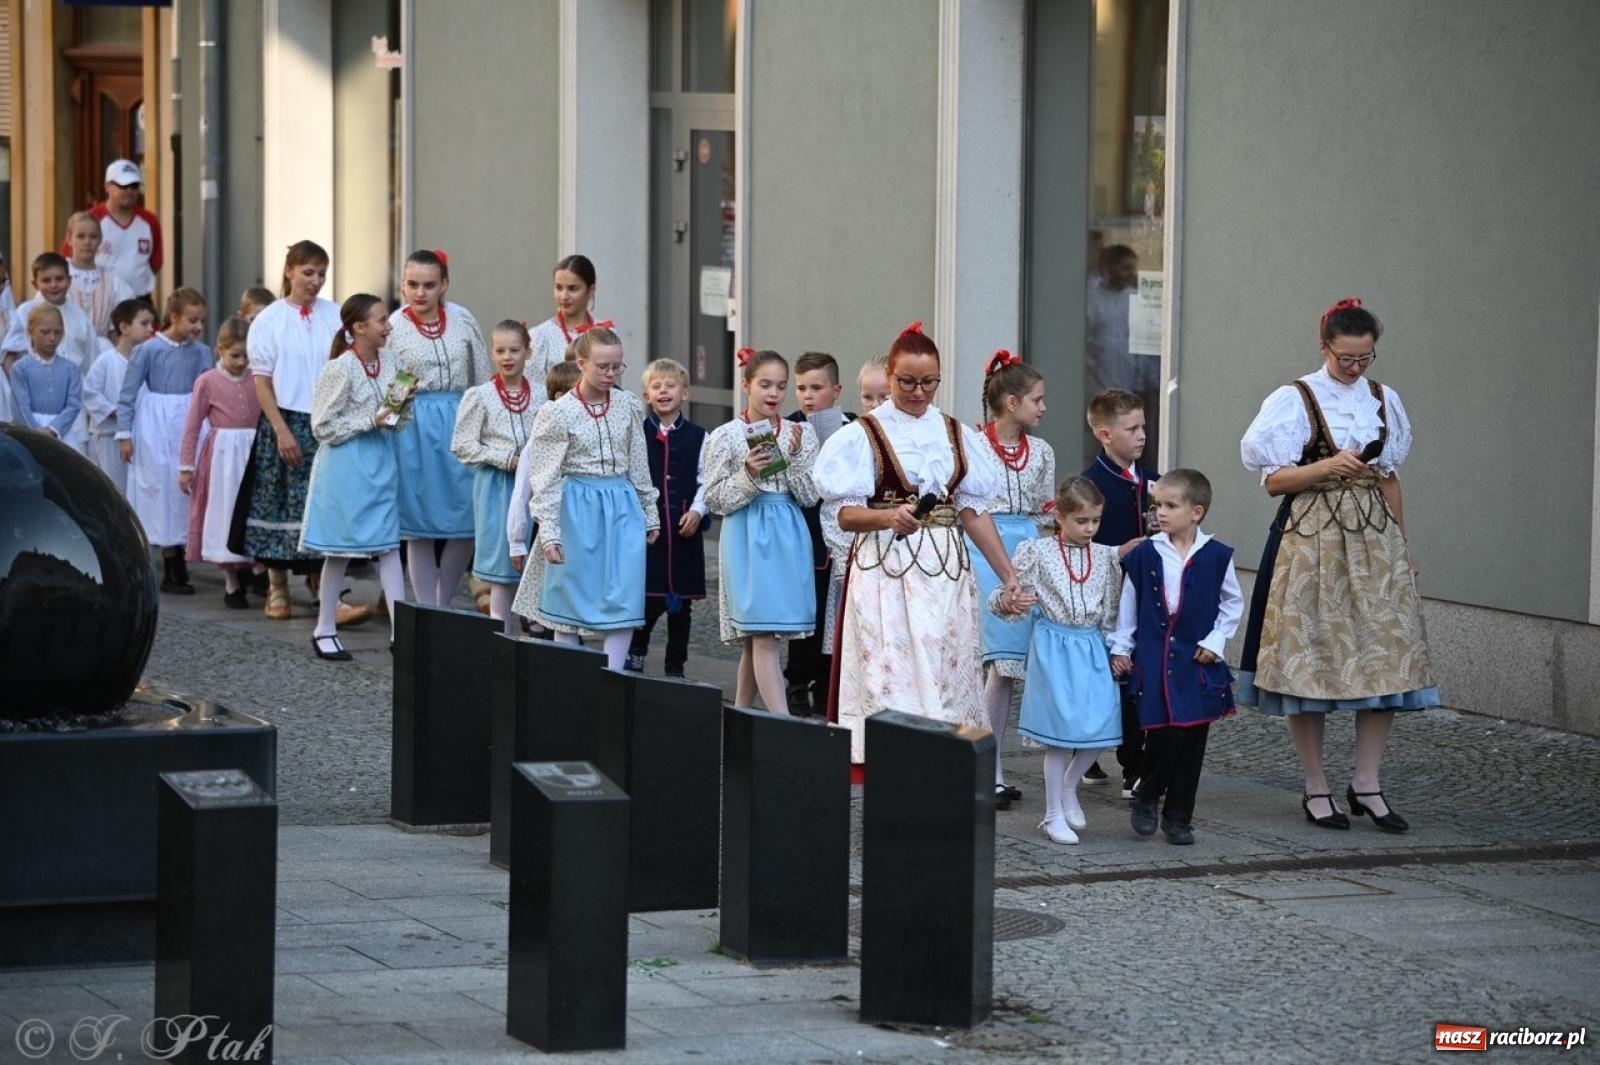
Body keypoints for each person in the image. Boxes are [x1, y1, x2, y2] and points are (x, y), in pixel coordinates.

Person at [1237, 297, 1438, 832]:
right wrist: (1325, 464)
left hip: (1374, 538)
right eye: (1346, 358)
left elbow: (1390, 476)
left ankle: (1367, 783)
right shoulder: (1294, 398)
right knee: (1312, 658)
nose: (1355, 368)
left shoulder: (1383, 399)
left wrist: (1403, 546)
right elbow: (1273, 481)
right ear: (1324, 346)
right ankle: (1316, 786)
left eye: (1364, 358)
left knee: (1385, 653)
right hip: (1311, 538)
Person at [813, 322, 1018, 765]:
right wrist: (888, 516)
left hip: (945, 570)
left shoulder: (956, 434)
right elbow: (845, 515)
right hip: (886, 569)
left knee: (946, 665)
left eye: (929, 382)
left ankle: (945, 764)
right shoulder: (863, 434)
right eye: (907, 381)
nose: (919, 392)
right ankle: (897, 764)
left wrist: (1008, 574)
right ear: (889, 376)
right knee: (895, 670)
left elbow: (973, 512)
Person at [236, 240, 372, 625]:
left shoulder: (335, 316)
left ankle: (327, 594)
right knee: (279, 501)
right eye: (307, 272)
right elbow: (261, 383)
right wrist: (280, 430)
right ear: (290, 271)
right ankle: (277, 587)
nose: (314, 281)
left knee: (323, 505)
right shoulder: (270, 320)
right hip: (286, 418)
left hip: (326, 419)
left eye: (321, 274)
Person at [511, 325, 660, 669]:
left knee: (623, 597)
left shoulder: (628, 406)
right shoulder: (557, 412)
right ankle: (570, 677)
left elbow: (638, 464)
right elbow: (545, 479)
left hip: (622, 506)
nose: (610, 374)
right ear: (581, 363)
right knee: (569, 599)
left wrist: (649, 512)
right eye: (602, 366)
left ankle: (613, 676)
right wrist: (548, 532)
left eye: (617, 367)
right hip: (576, 509)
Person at [1109, 470, 1243, 845]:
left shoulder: (1217, 556)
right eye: (1157, 506)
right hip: (1154, 658)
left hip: (1197, 662)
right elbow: (1129, 602)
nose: (1160, 513)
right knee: (1164, 735)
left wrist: (1216, 641)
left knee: (1192, 739)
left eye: (1170, 506)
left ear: (1196, 512)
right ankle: (1147, 795)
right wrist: (1122, 645)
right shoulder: (1146, 552)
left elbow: (1232, 603)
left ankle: (1180, 815)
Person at [991, 476, 1121, 844]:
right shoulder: (1037, 552)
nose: (1090, 529)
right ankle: (1052, 815)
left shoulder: (1105, 556)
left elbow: (1110, 607)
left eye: (1096, 520)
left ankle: (1069, 787)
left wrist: (1115, 647)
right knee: (1060, 737)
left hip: (1092, 645)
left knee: (1102, 725)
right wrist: (1009, 600)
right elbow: (1007, 596)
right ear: (1060, 518)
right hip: (1054, 647)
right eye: (1082, 521)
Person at [703, 349, 820, 713]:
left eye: (781, 386)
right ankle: (781, 723)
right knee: (762, 634)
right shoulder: (725, 436)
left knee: (760, 639)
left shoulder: (802, 433)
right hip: (746, 535)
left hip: (787, 533)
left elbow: (809, 495)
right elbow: (714, 498)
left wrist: (799, 457)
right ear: (746, 385)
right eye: (765, 384)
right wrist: (749, 475)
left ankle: (738, 716)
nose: (774, 394)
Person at [300, 294, 415, 659]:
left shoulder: (394, 360)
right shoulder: (340, 368)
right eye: (381, 320)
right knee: (340, 548)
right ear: (359, 328)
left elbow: (396, 420)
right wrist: (371, 420)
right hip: (346, 466)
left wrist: (403, 405)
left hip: (380, 462)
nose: (389, 326)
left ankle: (403, 633)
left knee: (388, 546)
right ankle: (324, 628)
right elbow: (321, 426)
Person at [971, 351, 1056, 808]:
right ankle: (989, 768)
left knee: (1008, 669)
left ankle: (991, 764)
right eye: (1037, 399)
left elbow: (1044, 510)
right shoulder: (970, 444)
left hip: (1026, 550)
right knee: (996, 662)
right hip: (981, 548)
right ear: (1010, 401)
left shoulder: (1042, 452)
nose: (1043, 408)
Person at [1083, 388, 1162, 798]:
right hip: (1104, 600)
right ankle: (1105, 755)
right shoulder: (1090, 484)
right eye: (1132, 428)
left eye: (1143, 426)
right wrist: (1116, 553)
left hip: (1147, 597)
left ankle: (1134, 762)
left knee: (1138, 680)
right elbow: (1076, 543)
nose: (1142, 435)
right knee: (1108, 679)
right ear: (1105, 434)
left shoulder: (1154, 481)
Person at [116, 287, 212, 594]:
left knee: (185, 487)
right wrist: (125, 434)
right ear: (173, 317)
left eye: (201, 321)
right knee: (159, 488)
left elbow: (208, 389)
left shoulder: (201, 352)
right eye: (192, 320)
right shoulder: (149, 350)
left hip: (189, 421)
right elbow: (128, 394)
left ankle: (182, 555)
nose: (197, 327)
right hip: (155, 425)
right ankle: (166, 558)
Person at [450, 320, 540, 634]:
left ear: (528, 351)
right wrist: (506, 459)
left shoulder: (542, 395)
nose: (507, 356)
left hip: (536, 488)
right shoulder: (481, 396)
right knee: (503, 568)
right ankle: (499, 635)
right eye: (500, 350)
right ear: (492, 352)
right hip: (497, 489)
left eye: (515, 350)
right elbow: (462, 445)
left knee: (538, 560)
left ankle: (540, 628)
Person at [627, 357, 709, 677]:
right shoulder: (637, 434)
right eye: (656, 386)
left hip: (684, 531)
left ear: (684, 393)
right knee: (647, 601)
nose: (664, 391)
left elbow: (707, 480)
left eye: (671, 385)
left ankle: (676, 665)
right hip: (649, 533)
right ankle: (636, 649)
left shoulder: (701, 436)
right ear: (647, 395)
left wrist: (697, 510)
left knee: (682, 608)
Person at [783, 351, 856, 713]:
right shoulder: (787, 428)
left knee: (836, 611)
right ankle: (797, 680)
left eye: (817, 387)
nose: (808, 396)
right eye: (801, 388)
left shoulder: (853, 428)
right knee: (805, 610)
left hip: (842, 536)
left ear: (836, 389)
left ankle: (829, 680)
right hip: (804, 532)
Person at [176, 317, 262, 607]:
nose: (241, 362)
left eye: (246, 355)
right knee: (224, 511)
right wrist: (186, 466)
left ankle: (256, 566)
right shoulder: (207, 382)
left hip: (253, 449)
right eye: (235, 355)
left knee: (252, 507)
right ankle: (231, 581)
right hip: (223, 454)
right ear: (219, 351)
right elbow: (191, 425)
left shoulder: (258, 378)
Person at [506, 360, 582, 591]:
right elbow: (522, 490)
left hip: (582, 525)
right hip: (551, 526)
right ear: (560, 397)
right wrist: (517, 540)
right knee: (551, 584)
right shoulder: (541, 438)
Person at [81, 298, 156, 495]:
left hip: (142, 433)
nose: (150, 329)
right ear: (124, 327)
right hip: (110, 436)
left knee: (140, 488)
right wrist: (114, 411)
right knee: (115, 486)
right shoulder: (106, 361)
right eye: (144, 323)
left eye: (152, 324)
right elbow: (89, 392)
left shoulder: (150, 361)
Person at [66, 159, 162, 302]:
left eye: (134, 186)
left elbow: (155, 263)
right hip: (99, 300)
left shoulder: (150, 221)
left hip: (140, 301)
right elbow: (68, 260)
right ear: (107, 187)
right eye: (123, 185)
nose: (129, 191)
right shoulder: (91, 219)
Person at [2, 253, 97, 377]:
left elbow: (92, 361)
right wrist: (19, 387)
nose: (54, 285)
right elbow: (10, 355)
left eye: (59, 279)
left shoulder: (80, 317)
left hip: (74, 390)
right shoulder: (25, 313)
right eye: (46, 280)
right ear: (35, 284)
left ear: (69, 280)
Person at [10, 304, 84, 449]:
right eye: (45, 332)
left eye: (57, 332)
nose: (52, 338)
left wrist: (53, 429)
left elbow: (74, 405)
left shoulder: (71, 369)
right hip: (28, 431)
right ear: (31, 331)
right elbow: (20, 405)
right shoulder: (21, 368)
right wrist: (36, 432)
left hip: (61, 432)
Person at [528, 254, 597, 394]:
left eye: (572, 288)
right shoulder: (540, 336)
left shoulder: (604, 333)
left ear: (590, 290)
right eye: (559, 288)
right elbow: (534, 393)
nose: (564, 296)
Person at [63, 212, 134, 338]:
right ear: (69, 239)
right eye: (80, 236)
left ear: (100, 239)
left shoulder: (112, 281)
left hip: (102, 351)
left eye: (93, 237)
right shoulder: (58, 277)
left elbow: (120, 328)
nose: (87, 242)